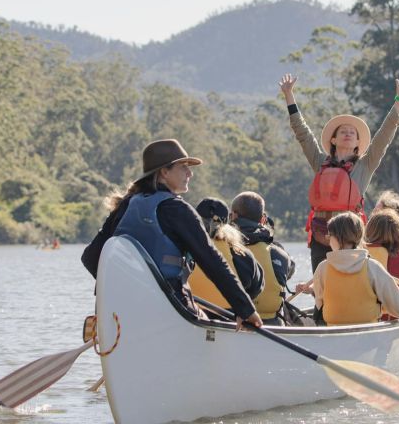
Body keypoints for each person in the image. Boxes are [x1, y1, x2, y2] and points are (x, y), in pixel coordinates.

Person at [110, 139, 262, 329]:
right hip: (171, 308)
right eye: (184, 167)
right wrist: (246, 310)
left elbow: (91, 257)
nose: (190, 173)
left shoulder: (127, 204)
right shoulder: (177, 209)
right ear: (164, 172)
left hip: (128, 309)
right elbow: (212, 260)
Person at [279, 73, 399, 272]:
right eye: (343, 131)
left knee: (347, 280)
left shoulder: (365, 166)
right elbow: (302, 133)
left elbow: (385, 135)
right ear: (333, 140)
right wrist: (289, 95)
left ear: (357, 144)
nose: (347, 134)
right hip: (321, 233)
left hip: (350, 235)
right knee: (322, 287)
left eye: (352, 133)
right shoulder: (320, 163)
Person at [307, 212, 399, 326]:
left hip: (332, 332)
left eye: (329, 235)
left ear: (338, 238)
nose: (328, 240)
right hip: (368, 331)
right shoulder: (373, 267)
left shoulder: (322, 268)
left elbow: (319, 303)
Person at [230, 191, 295, 325]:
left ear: (233, 216)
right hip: (271, 324)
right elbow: (289, 271)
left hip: (231, 321)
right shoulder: (280, 254)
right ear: (263, 220)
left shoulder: (220, 249)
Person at [188, 198, 265, 311]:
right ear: (227, 222)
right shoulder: (241, 253)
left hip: (191, 314)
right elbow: (256, 289)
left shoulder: (181, 246)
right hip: (227, 316)